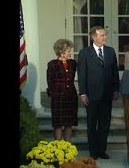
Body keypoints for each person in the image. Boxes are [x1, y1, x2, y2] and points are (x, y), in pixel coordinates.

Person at [77, 26, 120, 160]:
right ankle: (93, 152)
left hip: (107, 95)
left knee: (104, 125)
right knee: (91, 125)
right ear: (94, 37)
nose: (105, 37)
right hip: (91, 95)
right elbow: (82, 74)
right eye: (102, 35)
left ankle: (102, 150)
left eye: (105, 35)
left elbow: (115, 73)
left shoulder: (110, 51)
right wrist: (83, 93)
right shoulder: (84, 52)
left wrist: (116, 89)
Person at [46, 39, 78, 142]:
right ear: (61, 52)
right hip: (58, 98)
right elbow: (50, 81)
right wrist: (54, 93)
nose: (70, 53)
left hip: (71, 97)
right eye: (68, 51)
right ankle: (58, 149)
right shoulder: (52, 64)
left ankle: (68, 149)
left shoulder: (73, 63)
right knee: (58, 124)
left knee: (69, 124)